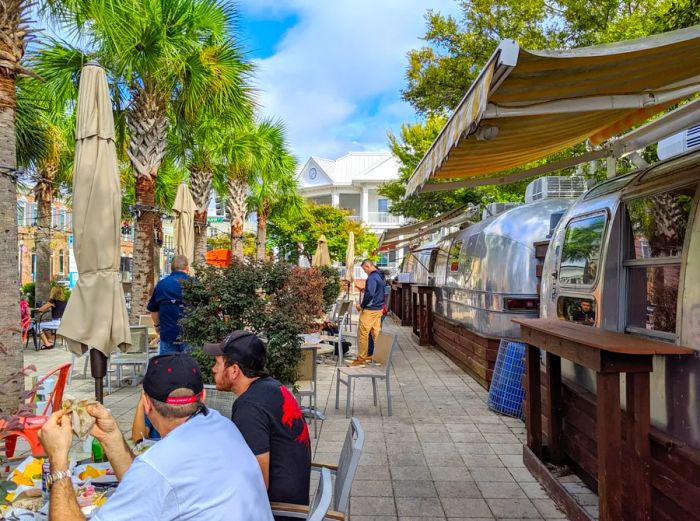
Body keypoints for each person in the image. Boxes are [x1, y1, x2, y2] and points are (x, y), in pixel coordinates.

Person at [38, 353, 273, 521]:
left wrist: (58, 460)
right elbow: (154, 489)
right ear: (201, 395)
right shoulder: (223, 425)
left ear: (146, 403)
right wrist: (112, 438)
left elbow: (156, 479)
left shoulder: (158, 467)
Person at [205, 331, 311, 519]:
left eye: (217, 363)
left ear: (234, 370)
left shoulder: (249, 407)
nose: (213, 369)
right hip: (293, 498)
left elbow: (258, 484)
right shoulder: (270, 386)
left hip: (279, 511)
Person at [147, 254, 191, 354]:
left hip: (168, 335)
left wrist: (157, 326)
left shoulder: (162, 285)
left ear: (172, 268)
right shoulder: (194, 283)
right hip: (191, 336)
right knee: (190, 367)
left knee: (168, 367)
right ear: (187, 268)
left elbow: (154, 311)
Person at [350, 259, 385, 366]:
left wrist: (362, 305)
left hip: (370, 310)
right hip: (378, 309)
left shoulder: (372, 277)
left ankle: (361, 358)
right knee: (376, 334)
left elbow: (370, 294)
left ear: (367, 266)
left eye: (364, 270)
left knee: (363, 334)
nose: (365, 272)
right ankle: (378, 358)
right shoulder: (380, 276)